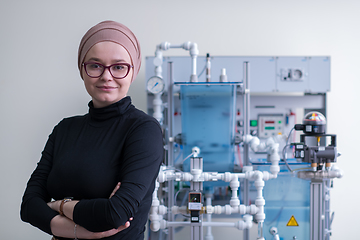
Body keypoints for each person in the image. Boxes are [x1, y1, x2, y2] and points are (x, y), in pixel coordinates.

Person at [20, 20, 164, 240]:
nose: (107, 76)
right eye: (95, 65)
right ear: (82, 70)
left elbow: (115, 214)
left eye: (118, 67)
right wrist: (82, 229)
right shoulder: (64, 129)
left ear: (132, 72)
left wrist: (59, 204)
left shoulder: (143, 130)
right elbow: (29, 206)